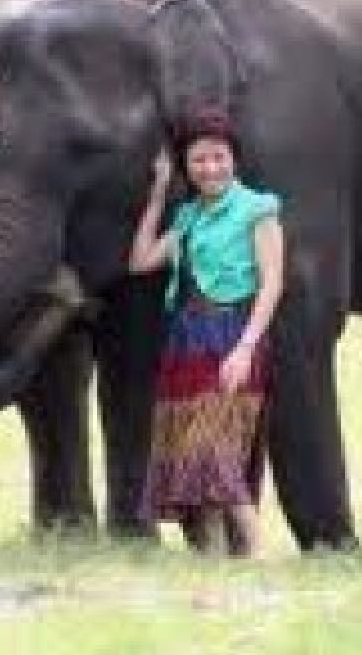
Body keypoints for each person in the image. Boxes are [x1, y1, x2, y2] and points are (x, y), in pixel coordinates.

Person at [129, 109, 283, 558]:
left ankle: (257, 549)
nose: (211, 168)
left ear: (233, 159)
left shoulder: (259, 209)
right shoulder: (188, 217)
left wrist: (246, 347)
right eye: (199, 160)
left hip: (232, 332)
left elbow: (273, 283)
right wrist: (158, 195)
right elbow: (140, 262)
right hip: (187, 338)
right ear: (186, 167)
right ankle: (214, 553)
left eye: (219, 157)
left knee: (216, 446)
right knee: (191, 449)